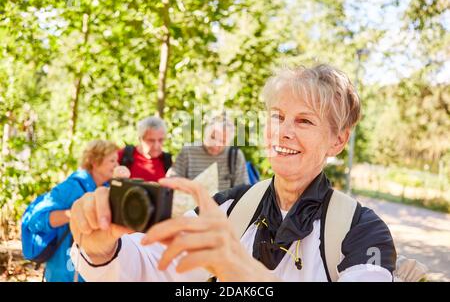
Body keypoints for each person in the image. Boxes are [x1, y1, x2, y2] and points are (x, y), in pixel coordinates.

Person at [69, 64, 396, 282]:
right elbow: (154, 264)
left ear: (338, 140)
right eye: (277, 116)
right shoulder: (227, 207)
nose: (283, 132)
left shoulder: (362, 230)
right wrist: (102, 250)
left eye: (305, 120)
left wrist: (241, 271)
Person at [25, 140, 120, 282]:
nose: (117, 165)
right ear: (95, 162)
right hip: (64, 271)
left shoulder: (106, 188)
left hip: (90, 271)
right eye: (112, 160)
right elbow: (35, 221)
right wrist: (74, 214)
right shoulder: (71, 187)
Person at [169, 116, 249, 191]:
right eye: (213, 137)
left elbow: (243, 190)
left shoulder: (236, 156)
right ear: (205, 134)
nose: (216, 144)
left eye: (222, 141)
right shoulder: (187, 152)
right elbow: (172, 181)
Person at [118, 116, 172, 181]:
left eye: (160, 140)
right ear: (140, 139)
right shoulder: (123, 156)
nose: (156, 146)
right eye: (151, 140)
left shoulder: (167, 161)